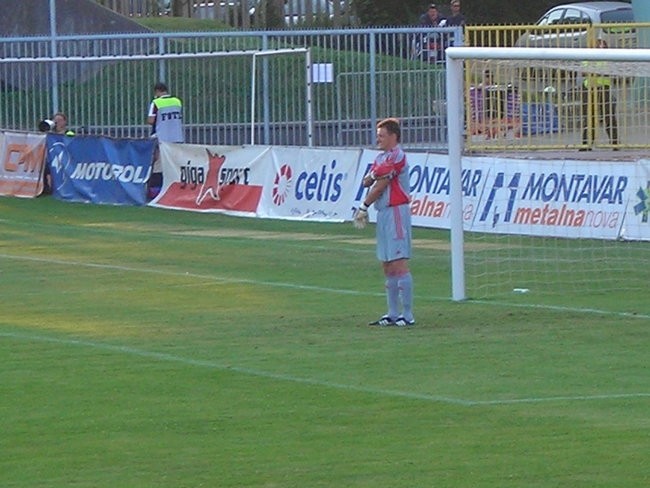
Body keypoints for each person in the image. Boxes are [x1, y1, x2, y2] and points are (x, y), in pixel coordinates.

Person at [353, 118, 415, 327]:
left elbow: (379, 184)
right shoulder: (381, 157)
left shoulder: (398, 156)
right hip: (384, 213)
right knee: (387, 264)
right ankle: (392, 313)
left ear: (393, 136)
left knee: (399, 263)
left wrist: (363, 206)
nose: (377, 139)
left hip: (397, 212)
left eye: (381, 135)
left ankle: (407, 315)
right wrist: (372, 176)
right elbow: (368, 179)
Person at [147, 82, 184, 197]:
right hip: (177, 137)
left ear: (157, 91)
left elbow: (150, 121)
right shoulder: (177, 101)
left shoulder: (156, 103)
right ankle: (176, 187)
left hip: (161, 138)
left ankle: (157, 189)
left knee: (158, 164)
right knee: (174, 163)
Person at [581, 38, 619, 150]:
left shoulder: (607, 57)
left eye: (603, 45)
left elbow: (609, 71)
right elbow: (583, 71)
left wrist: (595, 71)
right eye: (598, 45)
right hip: (589, 88)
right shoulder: (589, 56)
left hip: (604, 88)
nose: (600, 47)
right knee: (588, 117)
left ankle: (615, 143)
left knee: (609, 116)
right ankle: (586, 143)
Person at [43, 112, 74, 194]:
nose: (57, 123)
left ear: (64, 122)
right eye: (55, 121)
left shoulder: (69, 133)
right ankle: (45, 188)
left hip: (65, 158)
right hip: (52, 157)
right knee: (44, 167)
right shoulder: (50, 134)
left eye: (60, 120)